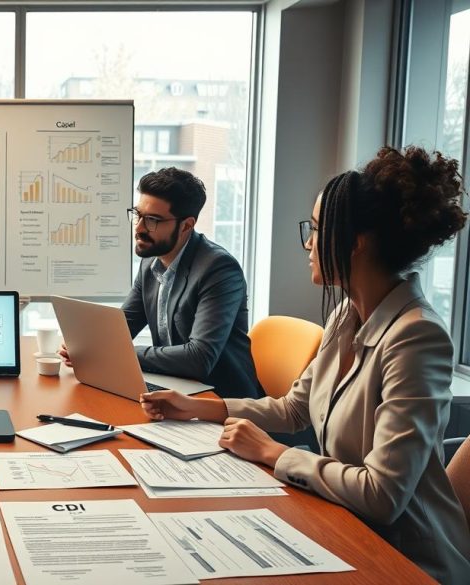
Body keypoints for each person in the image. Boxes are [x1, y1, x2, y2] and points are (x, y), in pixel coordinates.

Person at [141, 146, 470, 582]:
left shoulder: (417, 336)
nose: (309, 243)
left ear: (356, 242)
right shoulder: (346, 313)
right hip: (346, 526)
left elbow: (383, 494)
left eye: (315, 229)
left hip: (407, 560)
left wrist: (274, 453)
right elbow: (295, 409)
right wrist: (197, 407)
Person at [60, 167, 262, 399]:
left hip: (219, 399)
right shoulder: (150, 263)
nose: (139, 228)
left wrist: (116, 353)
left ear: (186, 225)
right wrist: (87, 346)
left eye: (153, 220)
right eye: (138, 215)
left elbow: (199, 358)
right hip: (175, 387)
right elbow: (121, 330)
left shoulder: (219, 269)